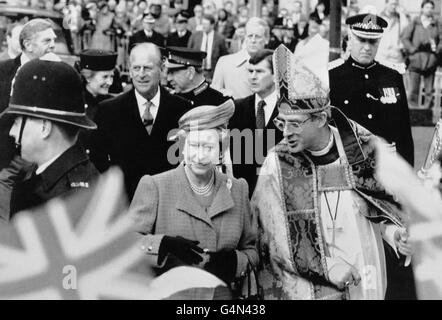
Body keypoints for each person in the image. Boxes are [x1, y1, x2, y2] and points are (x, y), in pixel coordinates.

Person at [251, 42, 412, 300]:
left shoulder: (364, 148)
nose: (285, 133)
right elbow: (270, 233)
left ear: (320, 118)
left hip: (364, 265)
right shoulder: (277, 163)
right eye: (282, 123)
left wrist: (397, 235)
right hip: (308, 280)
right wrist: (326, 266)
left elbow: (383, 209)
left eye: (295, 124)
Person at [129, 99, 258, 293]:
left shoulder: (238, 189)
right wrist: (163, 245)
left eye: (209, 147)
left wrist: (234, 262)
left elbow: (253, 250)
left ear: (221, 150)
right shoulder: (155, 185)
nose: (200, 156)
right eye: (194, 146)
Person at [89, 43, 193, 200]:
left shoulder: (182, 109)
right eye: (136, 68)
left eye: (147, 68)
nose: (141, 74)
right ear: (130, 71)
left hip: (169, 202)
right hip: (126, 205)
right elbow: (98, 159)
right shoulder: (108, 110)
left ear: (162, 70)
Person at [0, 59, 99, 221]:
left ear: (44, 127)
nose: (12, 132)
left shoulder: (67, 199)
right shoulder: (47, 181)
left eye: (17, 122)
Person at [329, 13, 414, 167]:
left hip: (386, 167)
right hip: (346, 167)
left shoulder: (392, 76)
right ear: (350, 38)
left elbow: (404, 131)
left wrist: (407, 172)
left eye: (373, 42)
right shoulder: (332, 76)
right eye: (361, 40)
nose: (367, 47)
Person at [0, 19, 57, 172]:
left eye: (53, 40)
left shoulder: (59, 73)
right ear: (28, 45)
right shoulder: (2, 71)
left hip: (42, 164)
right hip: (6, 162)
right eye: (47, 40)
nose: (53, 45)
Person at [229, 49, 282, 196]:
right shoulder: (237, 108)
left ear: (275, 75)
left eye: (259, 71)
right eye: (250, 71)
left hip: (278, 193)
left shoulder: (288, 110)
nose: (252, 77)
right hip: (244, 194)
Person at [211, 17, 270, 99]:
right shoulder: (225, 63)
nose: (253, 40)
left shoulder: (274, 64)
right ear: (245, 37)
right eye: (250, 36)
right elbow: (214, 95)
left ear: (266, 39)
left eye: (257, 36)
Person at [401, 0, 442, 109]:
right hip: (416, 60)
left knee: (429, 91)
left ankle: (427, 116)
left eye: (431, 7)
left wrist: (437, 51)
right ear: (422, 9)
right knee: (413, 90)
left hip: (430, 60)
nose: (429, 9)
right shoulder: (415, 22)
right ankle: (413, 115)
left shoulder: (436, 24)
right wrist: (412, 50)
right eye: (427, 7)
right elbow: (405, 38)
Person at [77, 49, 117, 153]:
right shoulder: (74, 102)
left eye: (111, 76)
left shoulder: (114, 104)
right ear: (88, 77)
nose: (110, 82)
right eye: (105, 77)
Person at [164, 47, 230, 106]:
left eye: (172, 73)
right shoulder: (171, 99)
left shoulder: (219, 102)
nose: (168, 78)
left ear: (190, 72)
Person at [187, 14, 228, 82]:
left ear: (212, 25)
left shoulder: (220, 38)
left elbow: (224, 57)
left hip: (212, 73)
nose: (203, 26)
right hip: (197, 72)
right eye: (202, 23)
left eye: (206, 24)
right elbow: (188, 52)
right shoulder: (195, 36)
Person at [376, 0, 410, 68]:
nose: (394, 7)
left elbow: (407, 33)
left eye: (396, 4)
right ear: (386, 4)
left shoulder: (401, 18)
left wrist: (405, 15)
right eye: (392, 4)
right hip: (381, 55)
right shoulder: (378, 17)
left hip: (396, 57)